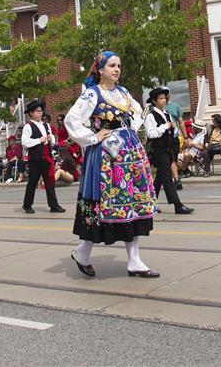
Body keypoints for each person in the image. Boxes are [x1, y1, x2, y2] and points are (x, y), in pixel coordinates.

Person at [64, 51, 159, 279]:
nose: (116, 69)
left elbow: (138, 112)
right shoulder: (92, 95)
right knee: (102, 204)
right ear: (100, 69)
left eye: (118, 66)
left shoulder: (123, 93)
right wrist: (94, 137)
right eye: (112, 66)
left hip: (130, 156)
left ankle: (134, 260)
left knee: (133, 204)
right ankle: (83, 253)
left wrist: (130, 130)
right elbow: (71, 120)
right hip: (107, 157)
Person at [143, 87, 193, 214]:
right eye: (160, 98)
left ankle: (150, 203)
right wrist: (165, 126)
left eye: (164, 98)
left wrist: (173, 128)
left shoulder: (167, 114)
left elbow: (172, 130)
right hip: (159, 151)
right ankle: (177, 205)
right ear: (154, 101)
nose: (164, 100)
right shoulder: (150, 116)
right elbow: (151, 134)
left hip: (169, 148)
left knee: (160, 177)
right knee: (166, 178)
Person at [21, 100, 66, 214]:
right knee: (33, 182)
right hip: (35, 158)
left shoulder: (46, 125)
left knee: (50, 181)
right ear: (31, 113)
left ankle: (53, 205)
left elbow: (52, 142)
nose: (40, 113)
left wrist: (51, 139)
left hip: (47, 157)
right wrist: (38, 140)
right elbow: (25, 142)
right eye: (37, 111)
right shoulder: (28, 126)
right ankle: (27, 205)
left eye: (41, 111)